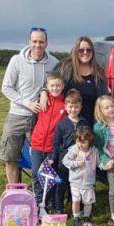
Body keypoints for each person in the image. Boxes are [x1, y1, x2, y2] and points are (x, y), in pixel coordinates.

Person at [0, 27, 59, 184]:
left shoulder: (54, 63)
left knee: (39, 158)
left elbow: (56, 85)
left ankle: (40, 196)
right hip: (17, 115)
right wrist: (27, 103)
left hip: (40, 119)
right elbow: (6, 88)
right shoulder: (17, 61)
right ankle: (14, 193)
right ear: (29, 42)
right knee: (10, 157)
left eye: (41, 41)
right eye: (34, 41)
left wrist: (45, 90)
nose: (38, 45)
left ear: (46, 43)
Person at [44, 36, 108, 127]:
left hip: (89, 123)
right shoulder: (65, 66)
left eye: (88, 50)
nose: (85, 52)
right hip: (66, 122)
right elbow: (50, 80)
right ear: (76, 51)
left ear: (92, 52)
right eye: (81, 50)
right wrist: (43, 91)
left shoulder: (99, 72)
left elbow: (104, 98)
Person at [29, 72, 67, 209]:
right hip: (37, 145)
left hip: (52, 148)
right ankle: (39, 202)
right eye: (52, 86)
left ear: (62, 86)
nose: (55, 88)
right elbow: (34, 120)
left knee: (50, 176)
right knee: (36, 173)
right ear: (47, 86)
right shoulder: (42, 100)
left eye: (58, 86)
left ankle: (49, 201)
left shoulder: (64, 105)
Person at [49, 90, 88, 213]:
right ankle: (59, 208)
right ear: (66, 107)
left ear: (80, 107)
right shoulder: (62, 124)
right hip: (64, 160)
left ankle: (77, 208)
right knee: (62, 184)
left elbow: (88, 139)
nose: (73, 110)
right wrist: (53, 158)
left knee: (77, 185)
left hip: (79, 159)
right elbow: (56, 143)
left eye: (76, 107)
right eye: (71, 107)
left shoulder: (84, 122)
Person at [61, 125, 100, 226]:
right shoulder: (74, 149)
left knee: (88, 202)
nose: (80, 144)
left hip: (88, 182)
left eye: (83, 142)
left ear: (89, 141)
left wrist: (106, 165)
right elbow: (65, 161)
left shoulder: (94, 151)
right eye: (78, 141)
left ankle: (87, 217)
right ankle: (76, 217)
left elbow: (99, 163)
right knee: (76, 200)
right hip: (75, 181)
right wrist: (76, 163)